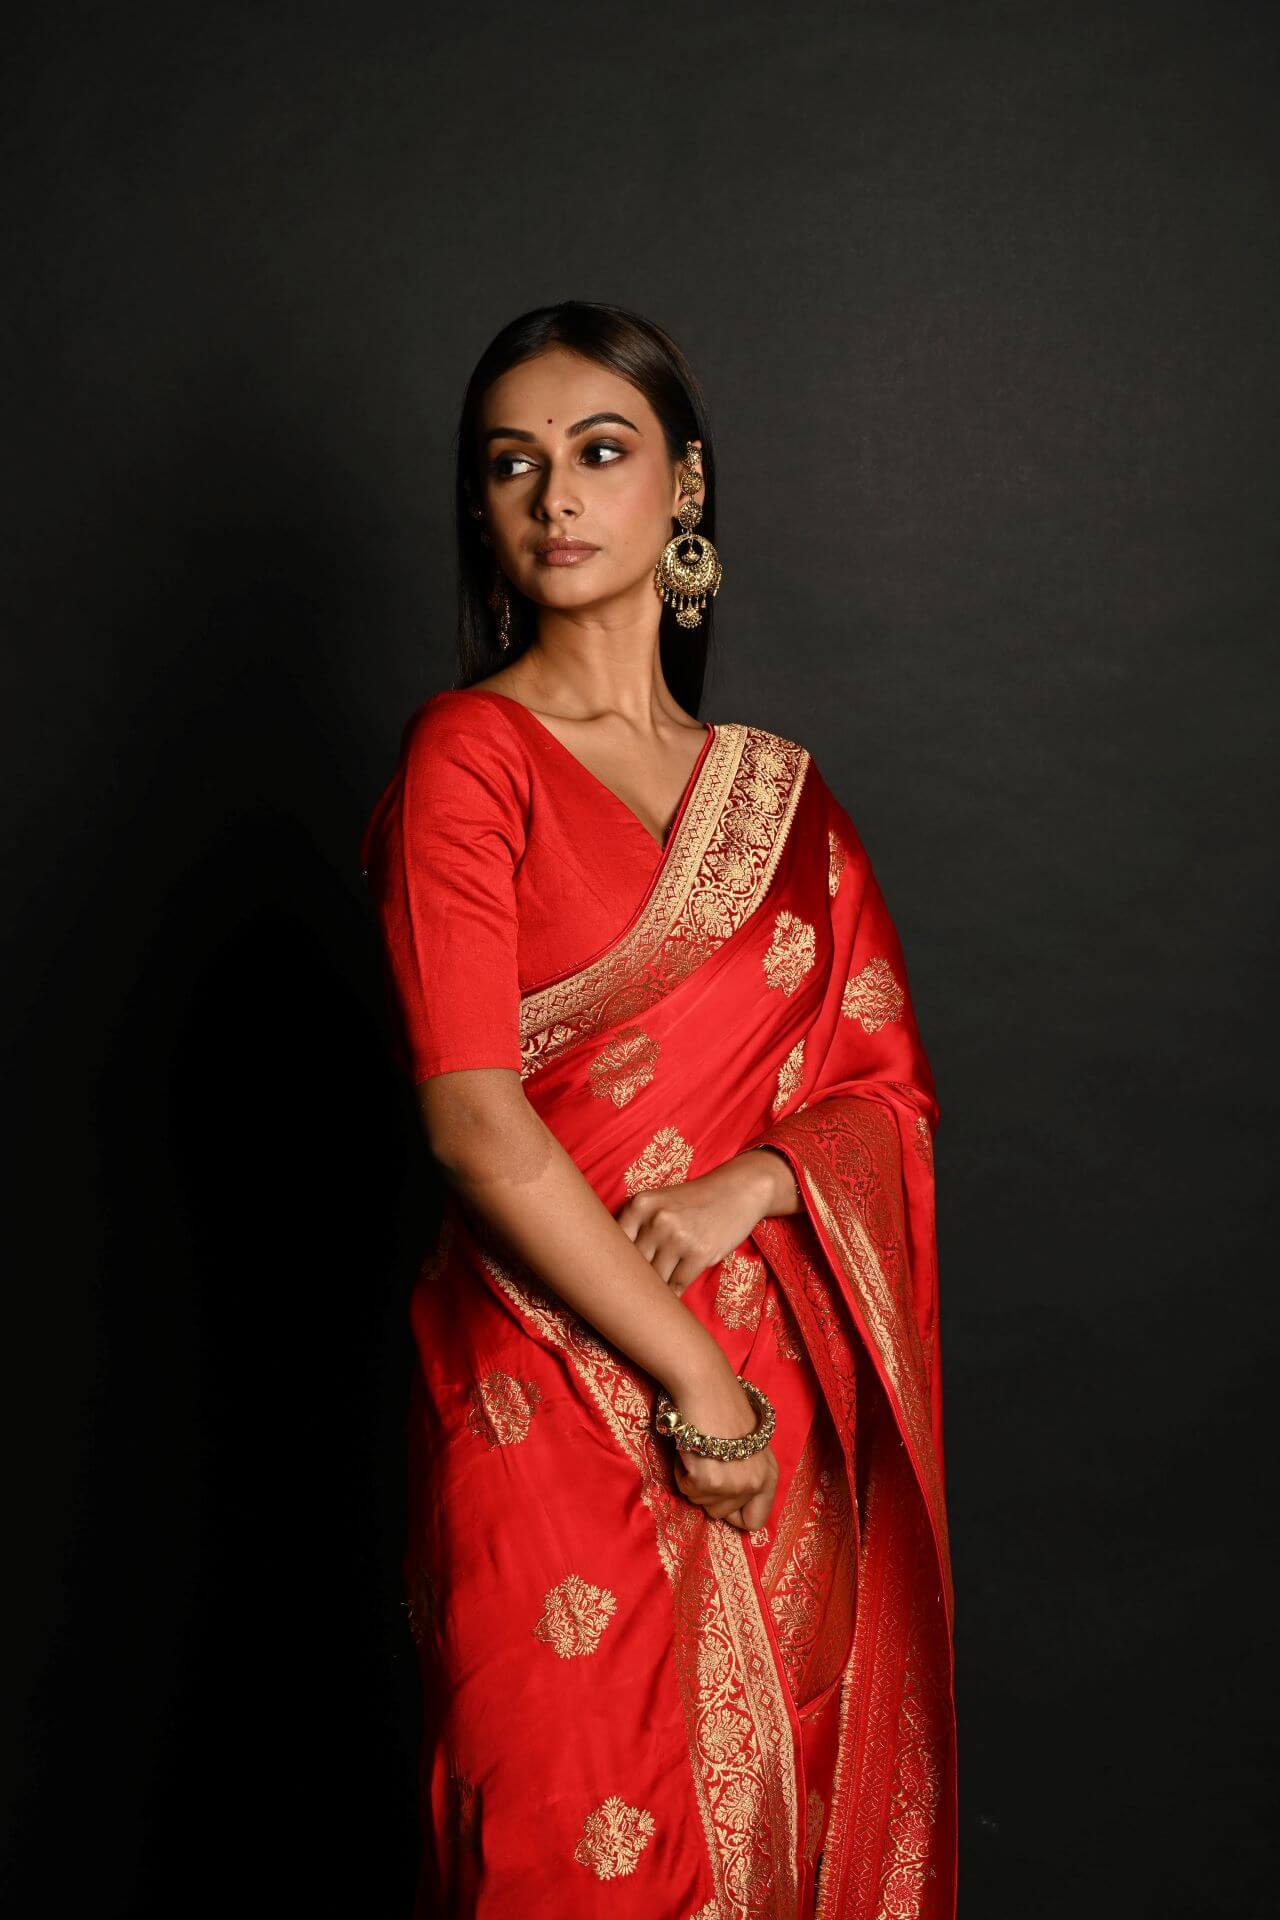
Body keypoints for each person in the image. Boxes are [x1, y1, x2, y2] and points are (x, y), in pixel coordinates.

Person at [360, 301, 956, 1919]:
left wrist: (753, 1184)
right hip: (540, 1391)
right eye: (513, 467)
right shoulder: (465, 760)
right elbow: (475, 1120)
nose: (556, 495)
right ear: (482, 514)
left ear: (682, 488)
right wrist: (695, 1378)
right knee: (563, 1844)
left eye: (600, 452)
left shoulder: (782, 799)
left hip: (767, 1411)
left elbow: (878, 1096)